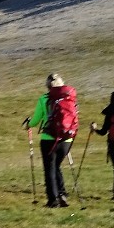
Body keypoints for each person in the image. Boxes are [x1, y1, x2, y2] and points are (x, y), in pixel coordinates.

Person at [24, 73, 76, 207]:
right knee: (56, 166)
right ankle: (62, 194)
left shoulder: (44, 99)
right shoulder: (70, 98)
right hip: (66, 139)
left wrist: (28, 125)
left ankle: (53, 200)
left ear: (48, 86)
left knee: (50, 169)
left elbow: (36, 120)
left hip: (49, 139)